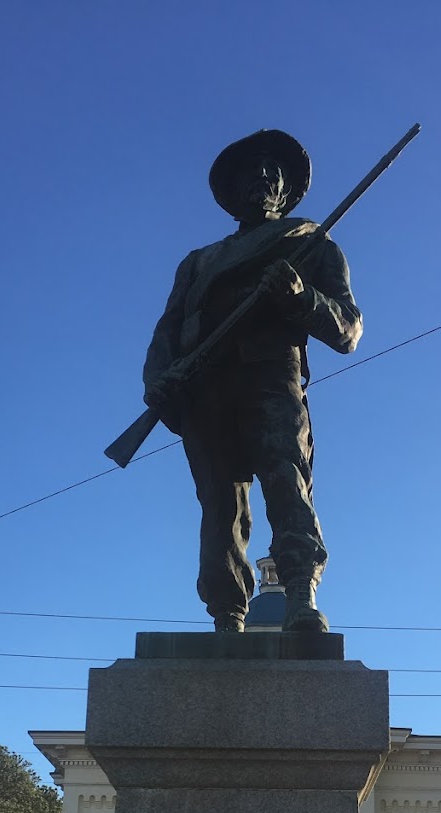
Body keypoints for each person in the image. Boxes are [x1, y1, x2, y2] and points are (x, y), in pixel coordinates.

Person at [142, 130, 362, 632]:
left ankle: (300, 596)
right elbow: (167, 329)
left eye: (273, 173)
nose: (263, 180)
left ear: (286, 191)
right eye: (252, 173)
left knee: (287, 481)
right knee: (219, 503)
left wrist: (300, 295)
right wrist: (159, 379)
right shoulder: (198, 261)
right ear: (233, 191)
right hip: (205, 385)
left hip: (271, 374)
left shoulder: (310, 243)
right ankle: (227, 613)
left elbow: (348, 328)